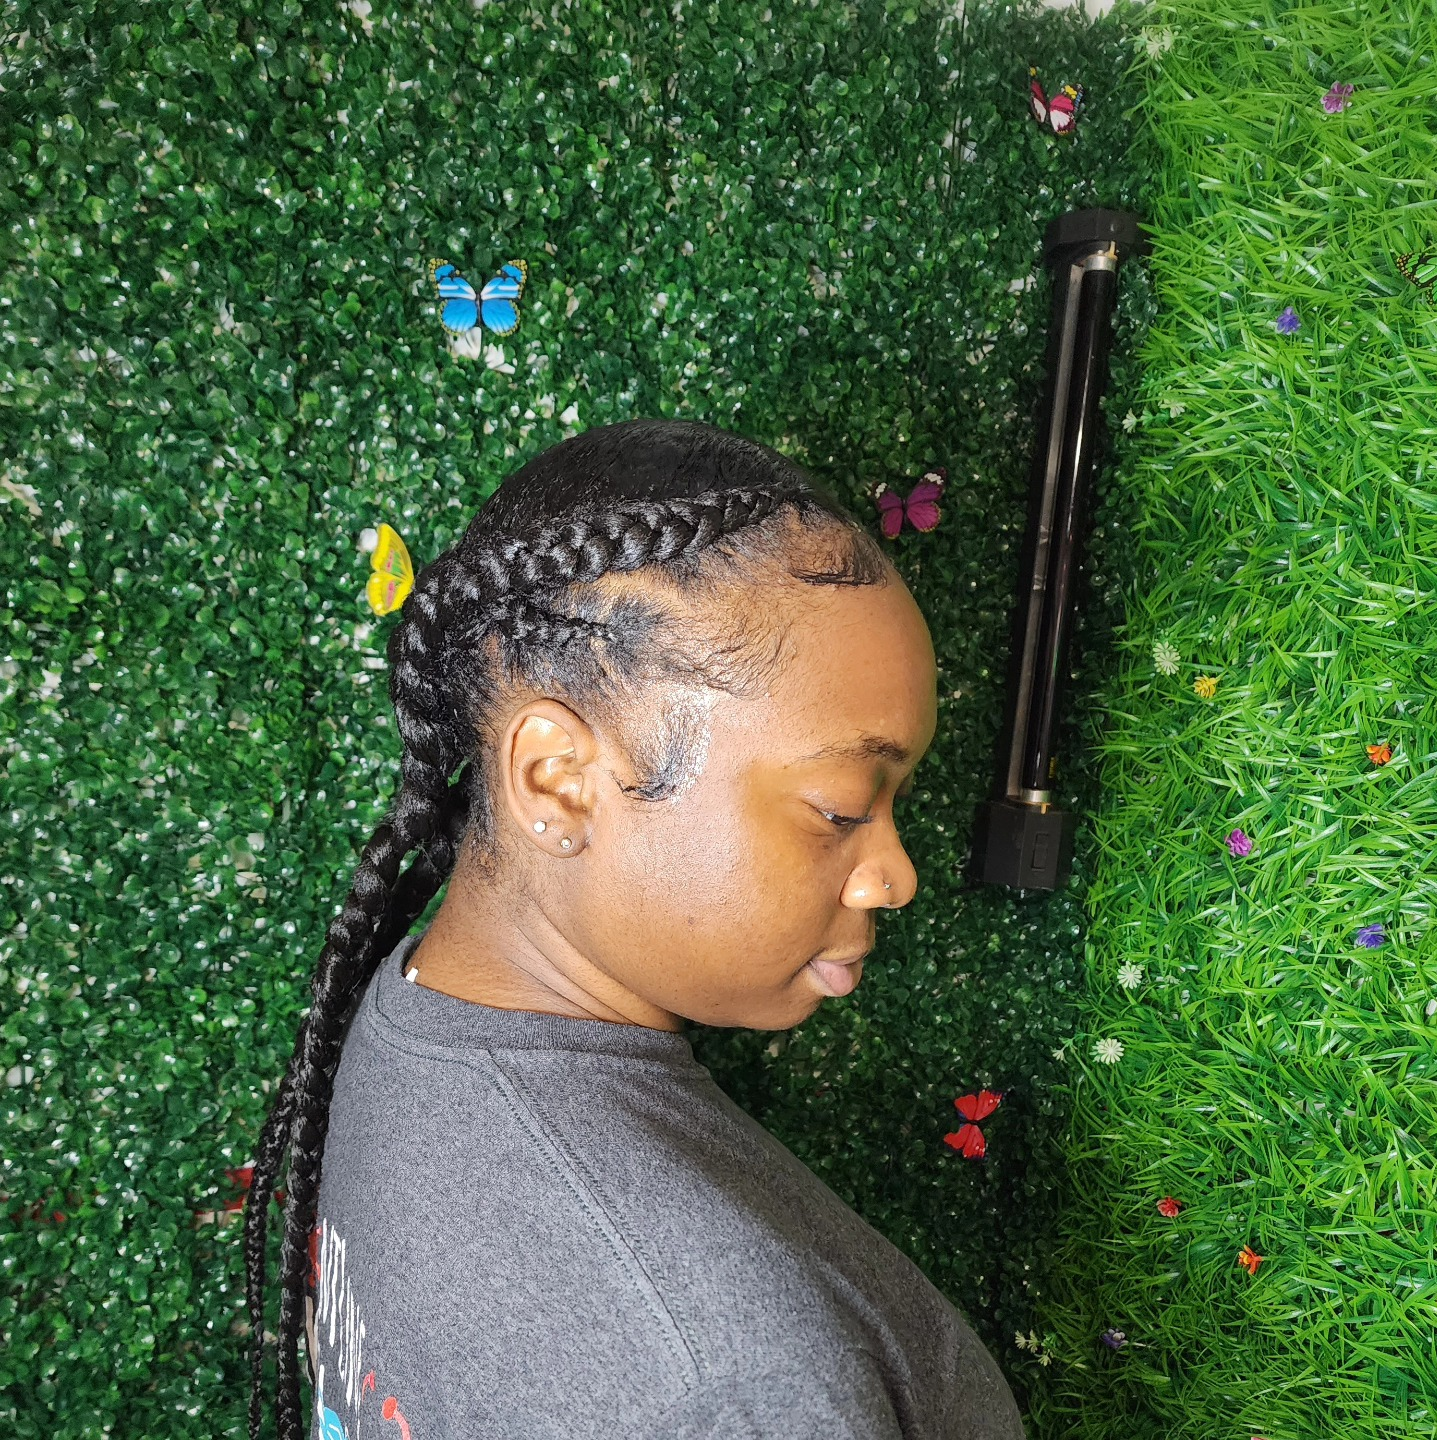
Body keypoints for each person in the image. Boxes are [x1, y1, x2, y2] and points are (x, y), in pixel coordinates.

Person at [243, 418, 1025, 1440]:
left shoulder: (416, 1014)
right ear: (557, 781)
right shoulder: (738, 1386)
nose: (895, 877)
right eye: (841, 808)